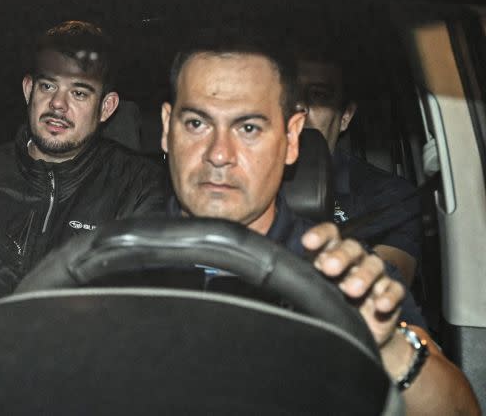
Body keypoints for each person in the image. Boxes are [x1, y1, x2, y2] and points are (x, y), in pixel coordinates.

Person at [160, 44, 479, 414]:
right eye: (197, 123)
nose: (219, 153)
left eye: (248, 128)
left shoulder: (339, 275)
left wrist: (389, 348)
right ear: (167, 129)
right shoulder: (111, 258)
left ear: (292, 138)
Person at [0, 21, 168, 322]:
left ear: (106, 107)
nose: (58, 105)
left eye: (79, 93)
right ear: (28, 90)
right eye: (48, 86)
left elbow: (129, 310)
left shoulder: (139, 187)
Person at [297, 56, 422, 285]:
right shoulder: (239, 177)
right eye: (289, 94)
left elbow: (381, 287)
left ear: (345, 116)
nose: (300, 107)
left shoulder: (387, 197)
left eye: (318, 96)